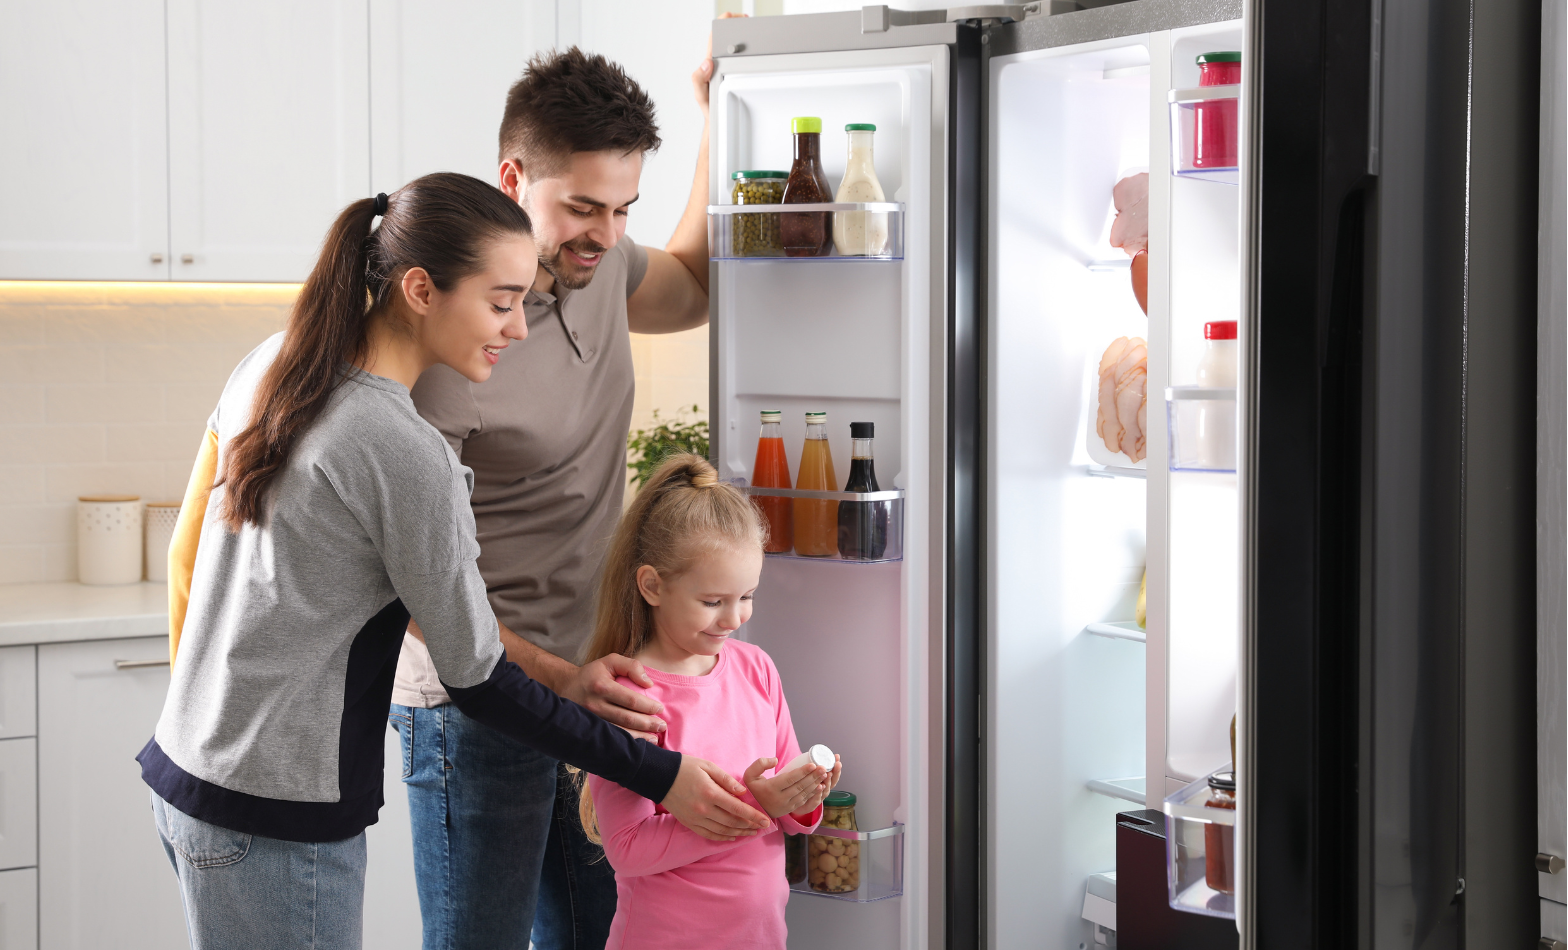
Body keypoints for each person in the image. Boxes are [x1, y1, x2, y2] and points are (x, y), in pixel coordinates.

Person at [143, 173, 769, 950]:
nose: (519, 327)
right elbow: (477, 679)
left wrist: (205, 714)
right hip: (274, 814)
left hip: (190, 773)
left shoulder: (275, 361)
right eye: (501, 302)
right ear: (420, 290)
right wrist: (660, 773)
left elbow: (189, 542)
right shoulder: (401, 447)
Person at [389, 44, 721, 950]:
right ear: (513, 179)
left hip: (592, 683)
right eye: (581, 206)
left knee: (599, 935)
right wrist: (560, 683)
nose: (605, 234)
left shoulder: (600, 263)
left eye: (623, 209)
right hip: (474, 700)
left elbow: (692, 283)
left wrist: (718, 113)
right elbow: (408, 588)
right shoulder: (455, 333)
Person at [578, 454, 843, 950]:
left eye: (747, 596)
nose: (733, 618)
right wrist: (752, 806)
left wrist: (806, 796)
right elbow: (628, 848)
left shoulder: (756, 668)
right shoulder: (631, 697)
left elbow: (783, 807)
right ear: (652, 586)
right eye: (712, 601)